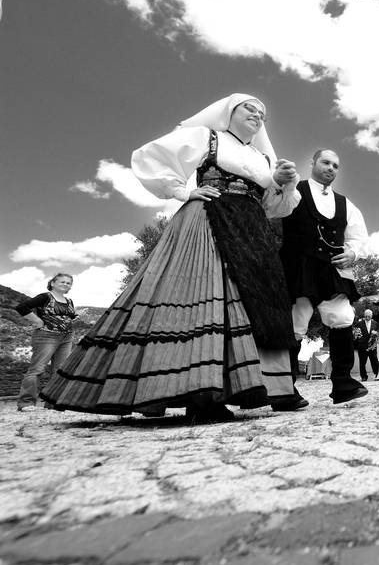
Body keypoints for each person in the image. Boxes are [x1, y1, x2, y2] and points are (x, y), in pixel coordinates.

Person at [42, 94, 302, 421]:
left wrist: (284, 186)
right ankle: (200, 396)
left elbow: (273, 208)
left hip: (251, 232)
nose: (257, 113)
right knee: (205, 299)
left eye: (262, 111)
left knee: (255, 306)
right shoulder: (207, 138)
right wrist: (184, 191)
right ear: (228, 112)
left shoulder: (263, 159)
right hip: (209, 220)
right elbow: (150, 157)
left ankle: (259, 389)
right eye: (248, 107)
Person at [281, 148, 370, 403]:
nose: (331, 168)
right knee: (297, 323)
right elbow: (272, 210)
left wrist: (352, 254)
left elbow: (358, 237)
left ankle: (343, 383)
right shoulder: (293, 190)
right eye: (325, 162)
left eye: (336, 165)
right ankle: (285, 389)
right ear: (312, 163)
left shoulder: (344, 203)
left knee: (342, 317)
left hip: (332, 270)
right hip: (300, 266)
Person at [15, 274, 77, 411]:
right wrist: (37, 321)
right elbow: (21, 307)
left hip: (66, 338)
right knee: (37, 369)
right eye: (62, 282)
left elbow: (70, 317)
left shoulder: (69, 301)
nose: (65, 284)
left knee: (60, 370)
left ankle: (53, 402)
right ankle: (26, 403)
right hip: (46, 336)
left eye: (68, 283)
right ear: (53, 283)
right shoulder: (45, 297)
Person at [352, 309, 379, 382]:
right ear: (364, 316)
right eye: (366, 316)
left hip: (372, 346)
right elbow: (356, 335)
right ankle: (364, 376)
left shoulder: (375, 323)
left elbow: (377, 334)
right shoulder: (359, 323)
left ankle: (377, 374)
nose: (367, 318)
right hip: (362, 346)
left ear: (371, 316)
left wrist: (375, 337)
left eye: (369, 316)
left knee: (374, 361)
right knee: (362, 362)